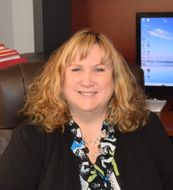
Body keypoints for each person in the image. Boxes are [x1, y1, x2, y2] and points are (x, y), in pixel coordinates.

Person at [0, 29, 173, 190]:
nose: (88, 81)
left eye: (99, 69)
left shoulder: (146, 126)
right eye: (76, 69)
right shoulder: (32, 136)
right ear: (59, 79)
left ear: (115, 79)